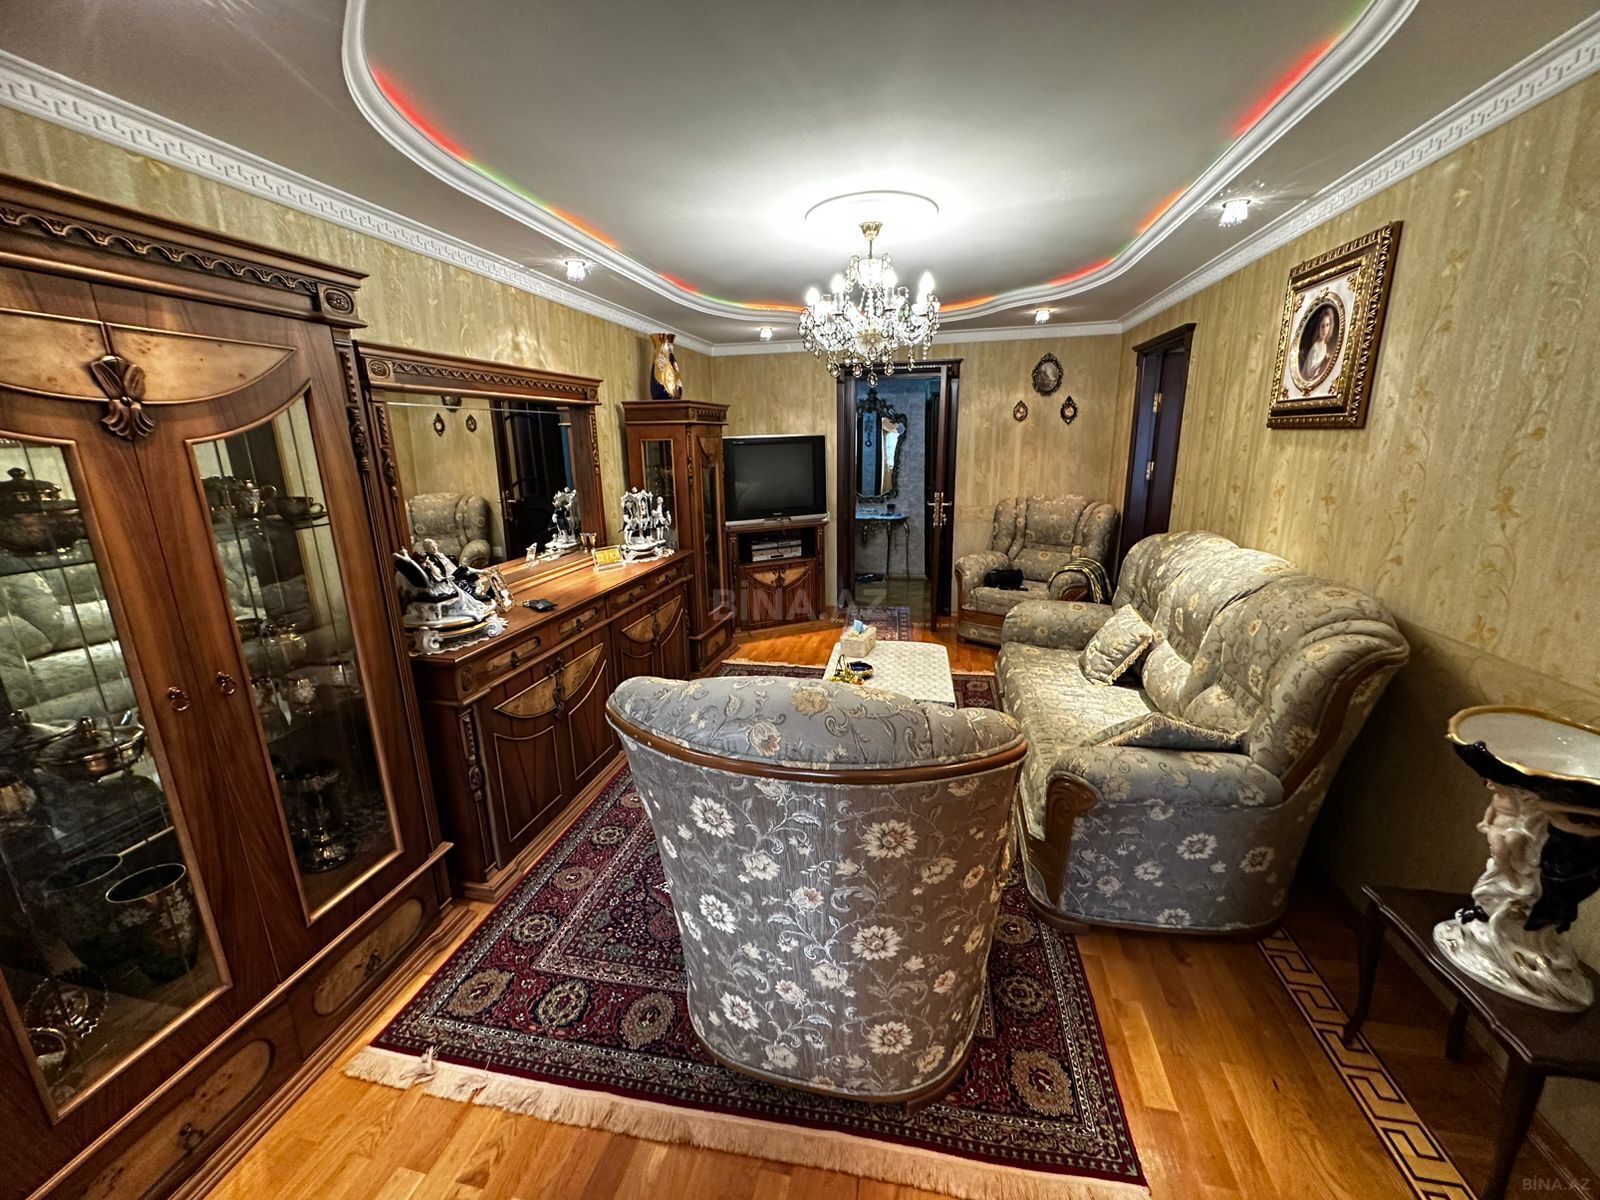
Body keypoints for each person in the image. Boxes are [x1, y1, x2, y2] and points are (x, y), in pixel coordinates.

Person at [1300, 304, 1339, 383]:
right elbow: (1309, 372)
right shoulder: (1315, 347)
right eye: (1322, 326)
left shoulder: (1324, 345)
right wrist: (1323, 362)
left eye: (1327, 325)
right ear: (1319, 328)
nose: (1325, 330)